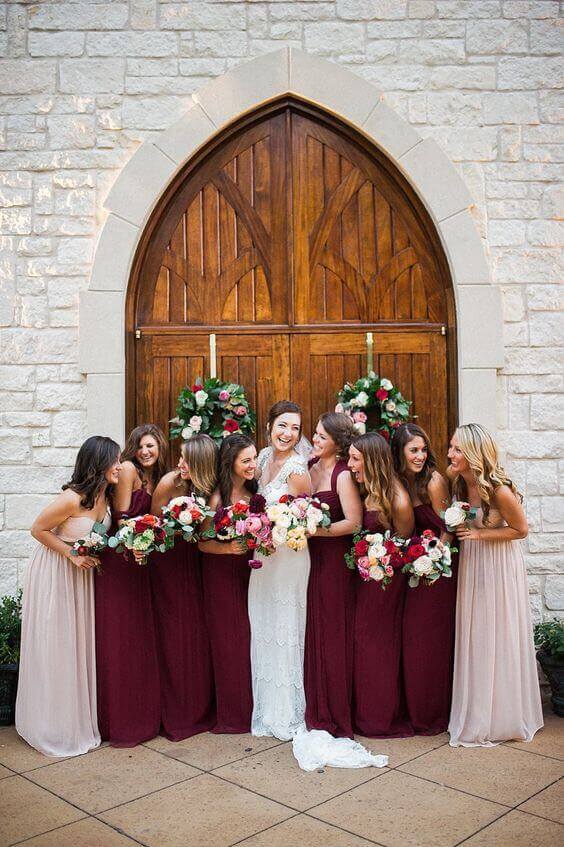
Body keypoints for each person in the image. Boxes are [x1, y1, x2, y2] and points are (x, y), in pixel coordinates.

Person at [16, 436, 120, 757]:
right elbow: (38, 529)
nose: (119, 466)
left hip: (80, 578)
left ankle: (76, 721)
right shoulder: (72, 498)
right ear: (99, 463)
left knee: (76, 647)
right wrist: (72, 555)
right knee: (57, 647)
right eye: (114, 461)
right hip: (55, 573)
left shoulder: (107, 497)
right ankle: (50, 727)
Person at [447, 423, 543, 747]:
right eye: (451, 447)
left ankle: (502, 715)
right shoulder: (460, 483)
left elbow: (521, 530)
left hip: (498, 564)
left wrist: (479, 534)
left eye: (457, 449)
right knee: (477, 633)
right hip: (474, 562)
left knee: (497, 632)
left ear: (474, 452)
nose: (451, 454)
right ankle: (477, 709)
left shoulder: (499, 489)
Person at [95, 423, 167, 747]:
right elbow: (122, 517)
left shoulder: (153, 477)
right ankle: (119, 721)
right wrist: (141, 537)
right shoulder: (126, 469)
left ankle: (141, 714)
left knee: (137, 639)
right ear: (132, 448)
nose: (146, 452)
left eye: (152, 446)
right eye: (142, 446)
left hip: (141, 561)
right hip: (122, 559)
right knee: (122, 639)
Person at [248, 401, 312, 740]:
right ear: (270, 424)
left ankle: (287, 711)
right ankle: (265, 707)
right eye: (282, 425)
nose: (288, 434)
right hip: (263, 556)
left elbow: (306, 517)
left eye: (295, 429)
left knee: (285, 626)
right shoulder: (260, 458)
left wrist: (281, 529)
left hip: (289, 557)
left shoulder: (298, 470)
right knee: (262, 623)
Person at [150, 434, 217, 740]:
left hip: (198, 562)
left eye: (186, 460)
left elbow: (206, 533)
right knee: (174, 632)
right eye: (179, 457)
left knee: (197, 632)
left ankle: (199, 707)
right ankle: (175, 710)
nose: (179, 464)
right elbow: (152, 525)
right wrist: (175, 524)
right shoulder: (169, 483)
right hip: (169, 563)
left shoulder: (209, 488)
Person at [391, 423, 456, 735]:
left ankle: (432, 715)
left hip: (437, 573)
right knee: (412, 641)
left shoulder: (433, 481)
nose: (420, 456)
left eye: (422, 450)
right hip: (414, 569)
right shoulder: (401, 481)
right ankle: (415, 709)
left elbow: (449, 527)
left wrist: (434, 559)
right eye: (413, 450)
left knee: (430, 641)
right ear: (400, 453)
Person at [348, 432, 414, 737]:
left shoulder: (397, 499)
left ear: (372, 460)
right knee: (361, 643)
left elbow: (404, 547)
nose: (349, 465)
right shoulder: (365, 488)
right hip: (364, 580)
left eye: (355, 459)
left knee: (377, 646)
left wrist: (379, 558)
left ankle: (379, 717)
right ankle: (362, 713)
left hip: (385, 584)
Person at [304, 413, 362, 739]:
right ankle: (316, 703)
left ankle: (335, 710)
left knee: (331, 631)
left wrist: (316, 532)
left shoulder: (342, 475)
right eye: (315, 434)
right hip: (307, 560)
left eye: (322, 436)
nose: (315, 440)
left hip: (333, 562)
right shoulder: (311, 467)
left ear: (338, 443)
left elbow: (353, 522)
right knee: (314, 629)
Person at [199, 433, 256, 733]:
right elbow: (202, 543)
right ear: (230, 462)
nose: (252, 465)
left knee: (248, 639)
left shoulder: (253, 494)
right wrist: (227, 549)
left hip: (250, 573)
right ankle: (233, 714)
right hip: (221, 574)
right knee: (228, 641)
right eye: (246, 460)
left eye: (255, 459)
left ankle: (252, 707)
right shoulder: (217, 497)